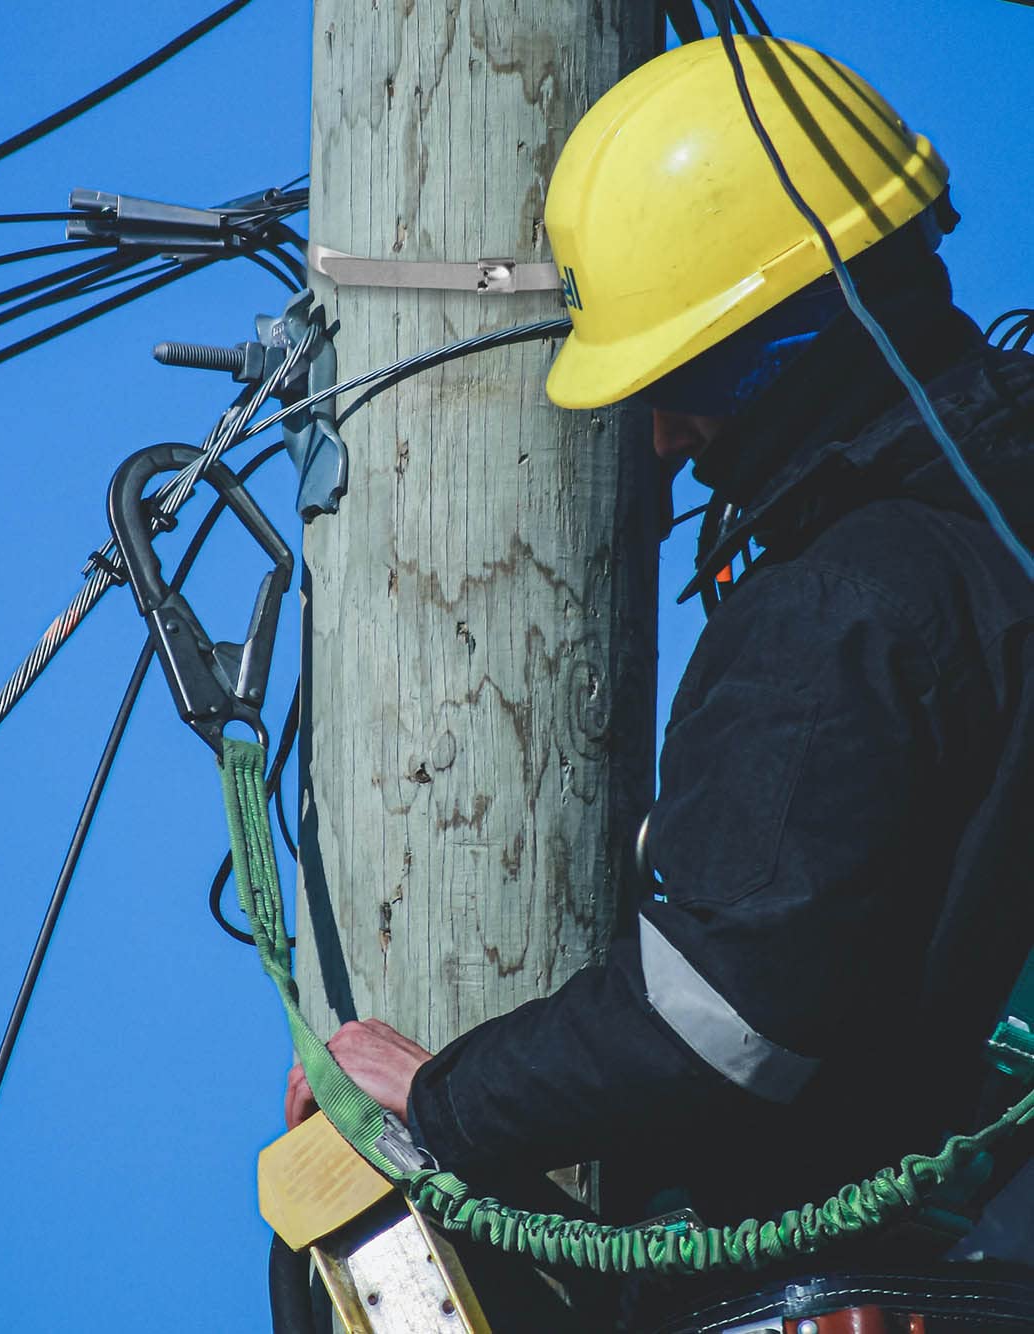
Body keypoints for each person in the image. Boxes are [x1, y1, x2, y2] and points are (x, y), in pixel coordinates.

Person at [285, 34, 1034, 1323]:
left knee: (359, 1250)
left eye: (678, 375)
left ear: (795, 335)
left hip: (886, 1277)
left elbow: (727, 1017)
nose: (666, 441)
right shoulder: (993, 527)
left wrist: (442, 1096)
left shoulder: (850, 599)